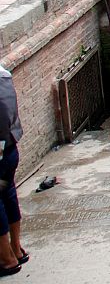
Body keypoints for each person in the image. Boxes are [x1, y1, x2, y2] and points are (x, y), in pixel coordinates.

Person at [0, 64, 25, 277]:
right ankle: (16, 248)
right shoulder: (4, 75)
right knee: (8, 194)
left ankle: (5, 258)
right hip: (9, 148)